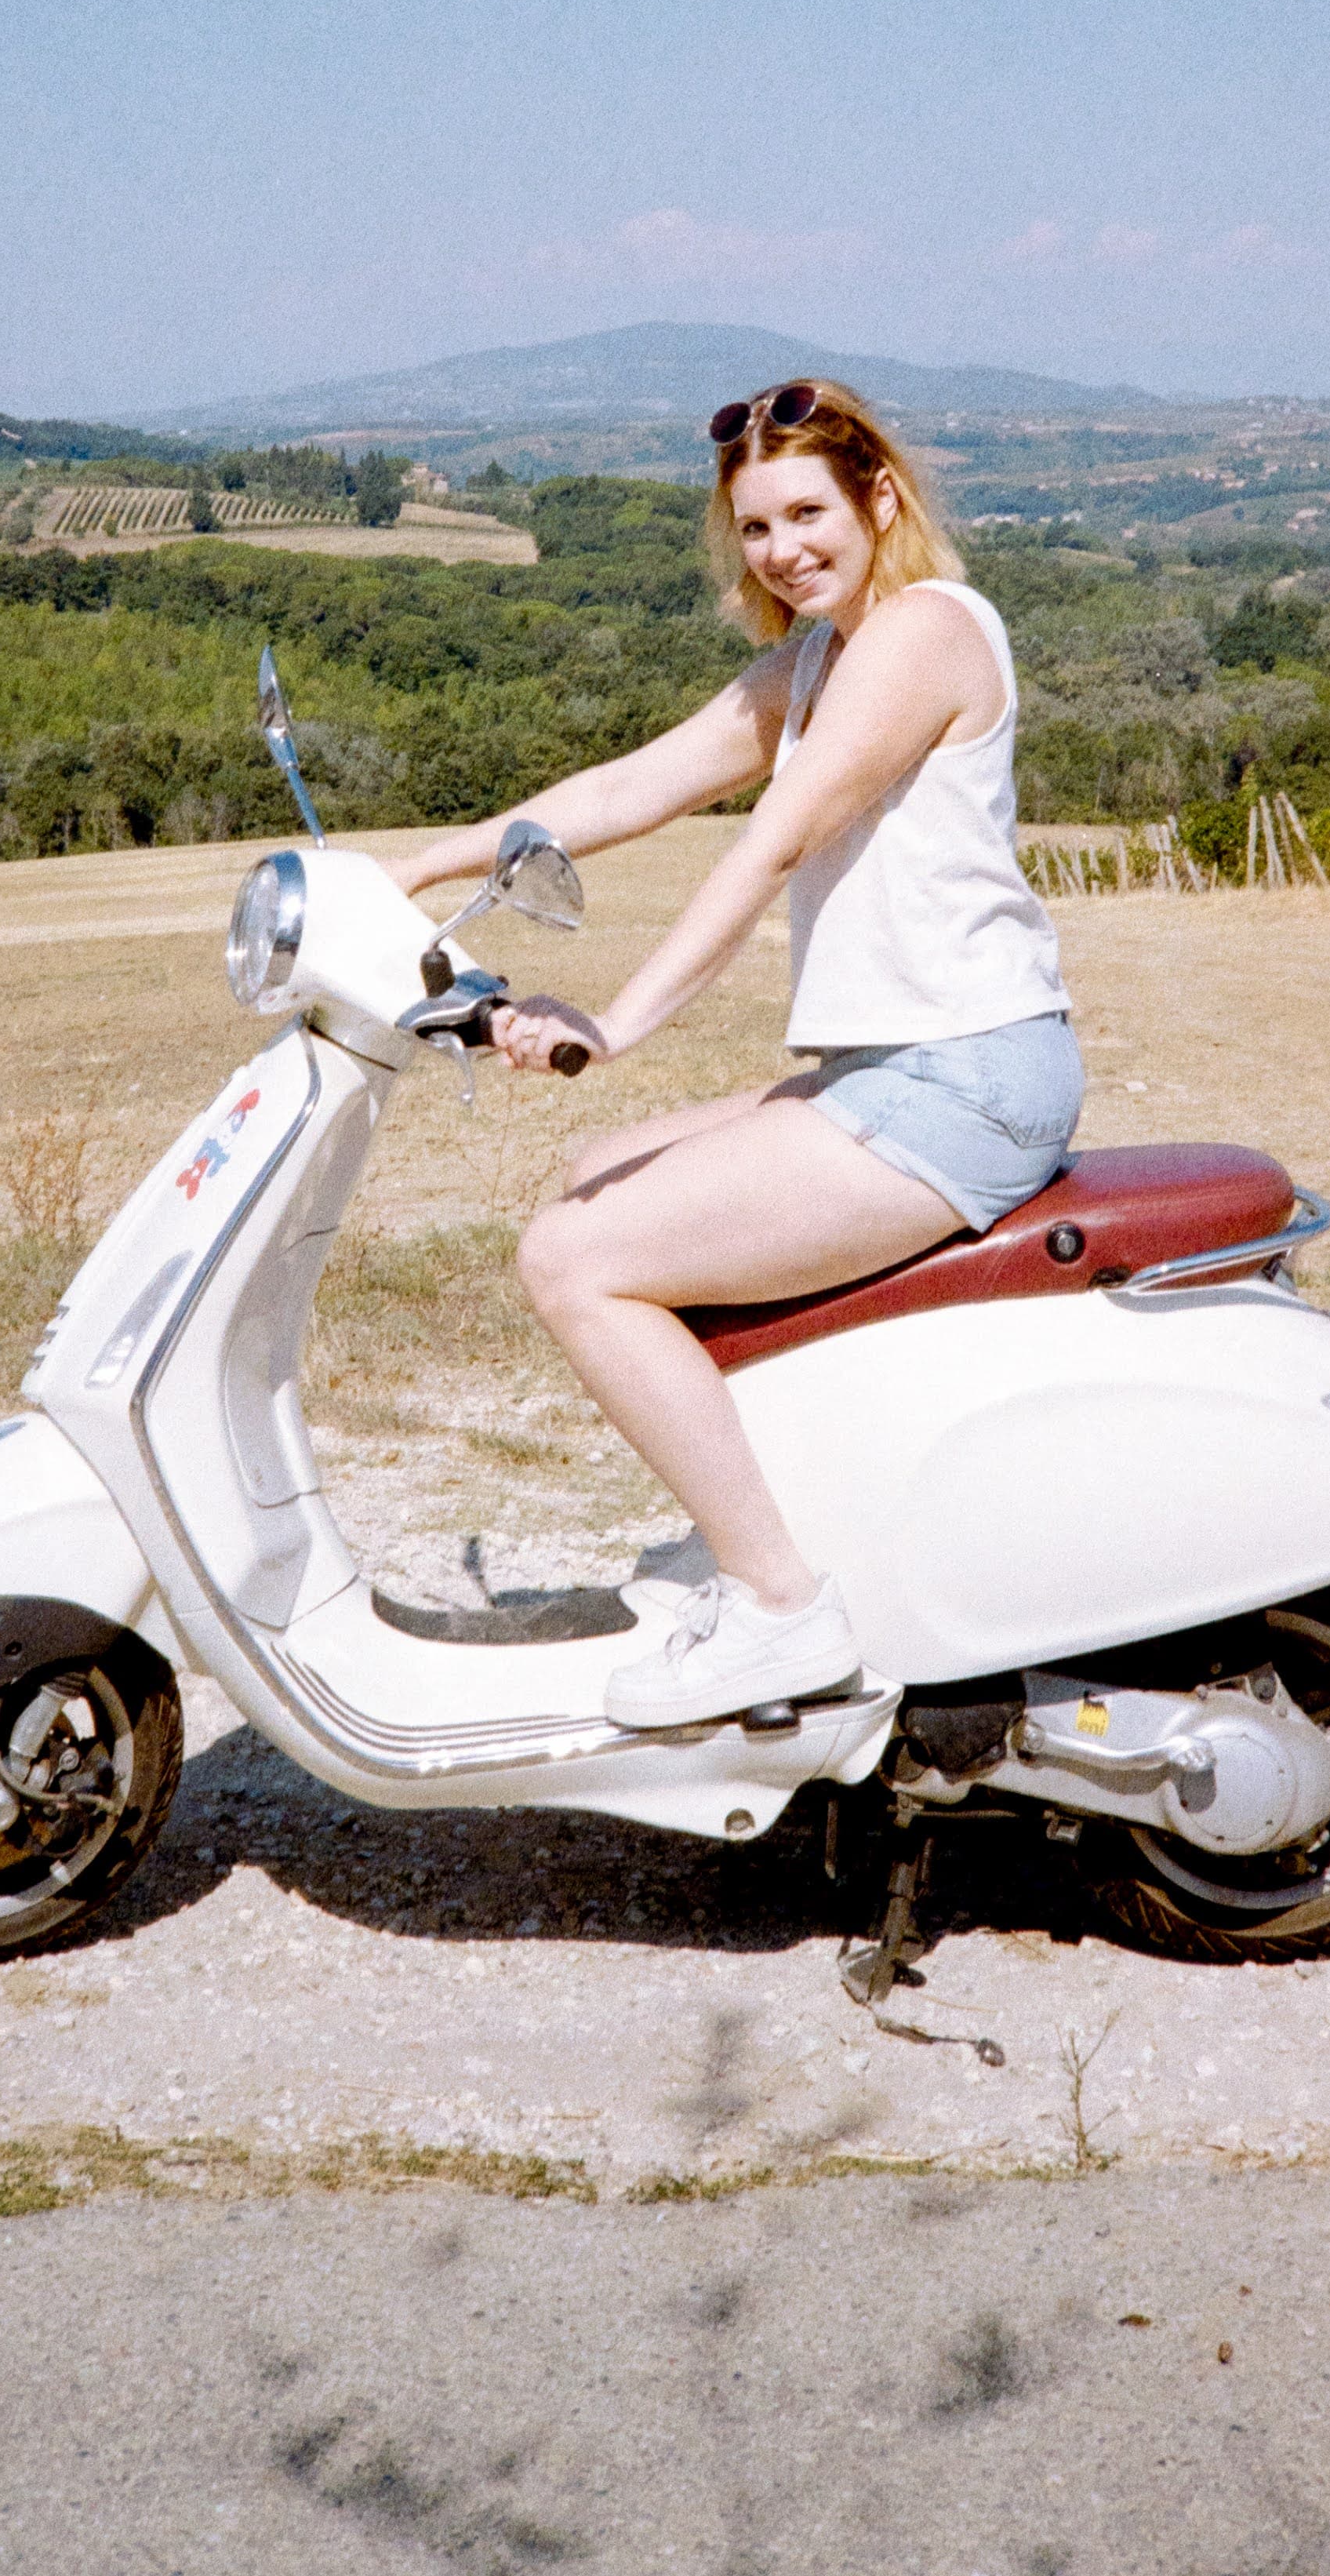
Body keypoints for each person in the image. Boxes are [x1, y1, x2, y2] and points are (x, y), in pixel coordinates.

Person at [391, 378, 1081, 1729]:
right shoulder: (824, 655)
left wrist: (618, 1022)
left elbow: (768, 840)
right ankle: (798, 1521)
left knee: (573, 1259)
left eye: (808, 512)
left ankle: (782, 1607)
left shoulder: (925, 636)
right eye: (755, 527)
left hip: (964, 1080)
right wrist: (410, 867)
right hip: (893, 1068)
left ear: (881, 496)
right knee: (601, 1170)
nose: (783, 550)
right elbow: (635, 785)